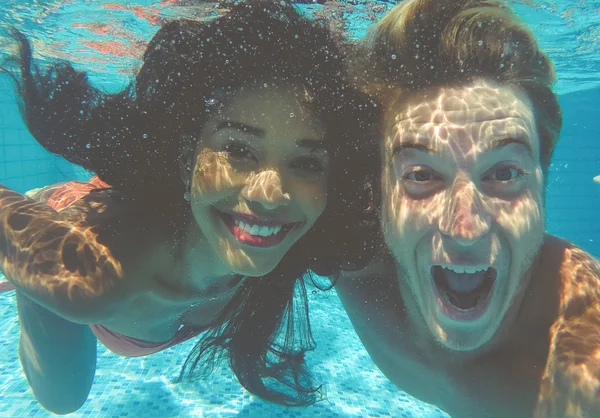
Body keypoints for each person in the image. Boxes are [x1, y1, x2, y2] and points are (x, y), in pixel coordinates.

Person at [0, 0, 377, 413]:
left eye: (306, 163)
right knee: (62, 396)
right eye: (238, 149)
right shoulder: (95, 267)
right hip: (64, 227)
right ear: (187, 159)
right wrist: (34, 256)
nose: (270, 194)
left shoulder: (303, 238)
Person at [336, 0, 600, 417]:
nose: (465, 228)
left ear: (544, 185)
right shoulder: (345, 261)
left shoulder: (583, 346)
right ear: (378, 193)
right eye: (422, 175)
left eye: (505, 173)